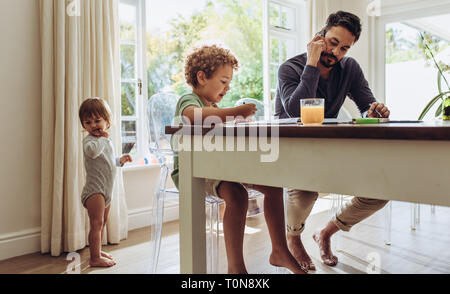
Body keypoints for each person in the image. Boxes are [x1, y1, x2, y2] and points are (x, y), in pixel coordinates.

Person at [171, 44, 305, 274]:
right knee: (237, 194)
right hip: (193, 170)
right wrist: (235, 112)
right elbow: (193, 118)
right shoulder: (189, 100)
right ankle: (236, 268)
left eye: (229, 82)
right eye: (223, 81)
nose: (227, 87)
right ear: (201, 77)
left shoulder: (214, 106)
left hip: (220, 166)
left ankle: (280, 250)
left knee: (273, 186)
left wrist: (237, 122)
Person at [274, 11, 391, 270]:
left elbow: (365, 104)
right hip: (293, 151)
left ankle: (325, 232)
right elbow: (296, 112)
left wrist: (372, 111)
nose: (337, 52)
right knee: (305, 194)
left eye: (345, 48)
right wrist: (312, 63)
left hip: (328, 149)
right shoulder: (289, 69)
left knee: (380, 192)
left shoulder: (348, 69)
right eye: (333, 42)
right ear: (320, 36)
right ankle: (293, 238)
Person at [79, 98, 133, 267]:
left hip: (106, 190)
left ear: (106, 121)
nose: (93, 125)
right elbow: (93, 153)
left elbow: (108, 161)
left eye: (97, 121)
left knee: (102, 222)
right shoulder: (89, 142)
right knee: (96, 223)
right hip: (95, 191)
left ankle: (98, 249)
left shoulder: (106, 141)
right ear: (84, 125)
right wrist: (102, 138)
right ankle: (94, 258)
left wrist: (120, 160)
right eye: (88, 122)